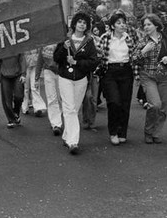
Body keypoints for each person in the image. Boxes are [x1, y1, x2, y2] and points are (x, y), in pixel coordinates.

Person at [53, 12, 99, 154]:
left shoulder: (89, 42)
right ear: (74, 24)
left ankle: (67, 135)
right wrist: (62, 48)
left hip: (81, 79)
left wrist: (77, 62)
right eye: (79, 22)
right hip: (65, 77)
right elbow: (57, 58)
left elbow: (93, 62)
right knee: (70, 108)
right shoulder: (65, 39)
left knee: (74, 108)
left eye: (84, 23)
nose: (81, 24)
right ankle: (73, 142)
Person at [97, 10, 136, 145]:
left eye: (124, 23)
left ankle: (122, 132)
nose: (122, 25)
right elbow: (99, 54)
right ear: (113, 25)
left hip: (126, 71)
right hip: (110, 72)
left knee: (125, 104)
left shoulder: (130, 37)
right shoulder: (105, 37)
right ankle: (113, 132)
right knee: (114, 102)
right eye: (119, 23)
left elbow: (135, 55)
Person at [132, 13, 167, 144]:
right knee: (155, 105)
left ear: (156, 25)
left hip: (164, 76)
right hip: (148, 76)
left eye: (148, 24)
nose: (145, 27)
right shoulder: (143, 41)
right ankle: (148, 131)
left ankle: (156, 133)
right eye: (144, 25)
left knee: (164, 107)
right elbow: (133, 59)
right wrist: (143, 51)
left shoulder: (165, 39)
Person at [35, 43, 63, 135]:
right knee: (51, 98)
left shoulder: (62, 39)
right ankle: (56, 124)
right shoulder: (44, 42)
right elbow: (40, 60)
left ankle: (65, 119)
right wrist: (37, 78)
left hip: (62, 72)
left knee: (62, 98)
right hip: (48, 71)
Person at [0, 54, 26, 128]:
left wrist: (23, 74)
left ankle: (16, 112)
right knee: (7, 99)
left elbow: (22, 59)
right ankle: (11, 119)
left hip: (17, 74)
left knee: (19, 96)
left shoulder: (17, 46)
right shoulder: (0, 47)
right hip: (5, 75)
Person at [22, 48, 46, 116]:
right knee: (25, 88)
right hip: (25, 65)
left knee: (34, 86)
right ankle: (24, 106)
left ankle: (38, 108)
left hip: (35, 64)